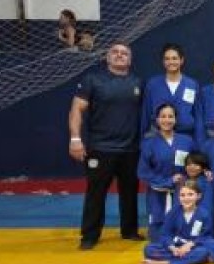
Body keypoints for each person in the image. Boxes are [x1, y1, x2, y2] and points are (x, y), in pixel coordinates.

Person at [68, 43, 143, 250]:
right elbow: (76, 109)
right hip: (101, 148)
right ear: (107, 57)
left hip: (130, 149)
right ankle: (89, 235)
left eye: (124, 53)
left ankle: (129, 231)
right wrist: (75, 139)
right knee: (96, 193)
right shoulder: (93, 80)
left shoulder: (137, 83)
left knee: (130, 192)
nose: (120, 55)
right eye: (115, 52)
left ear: (130, 59)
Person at [137, 104, 198, 241]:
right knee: (157, 238)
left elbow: (196, 163)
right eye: (163, 116)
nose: (167, 120)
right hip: (157, 194)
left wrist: (203, 171)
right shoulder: (149, 143)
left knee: (183, 233)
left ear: (175, 119)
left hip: (183, 193)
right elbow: (143, 171)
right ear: (157, 120)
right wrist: (167, 181)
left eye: (170, 116)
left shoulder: (187, 141)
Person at [141, 181, 214, 264]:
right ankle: (191, 260)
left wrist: (190, 244)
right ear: (178, 197)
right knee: (149, 249)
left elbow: (206, 236)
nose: (186, 198)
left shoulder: (204, 214)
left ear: (198, 196)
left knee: (203, 251)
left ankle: (163, 263)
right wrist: (172, 248)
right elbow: (165, 234)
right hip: (176, 246)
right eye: (182, 195)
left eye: (190, 194)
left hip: (194, 247)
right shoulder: (173, 212)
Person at [140, 43, 202, 141]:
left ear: (181, 60)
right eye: (167, 59)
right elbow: (145, 114)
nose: (171, 62)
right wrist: (143, 139)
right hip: (157, 137)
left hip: (185, 137)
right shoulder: (152, 84)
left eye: (174, 58)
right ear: (163, 62)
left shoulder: (192, 85)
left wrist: (199, 141)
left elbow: (198, 116)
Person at [183, 152, 214, 217]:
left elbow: (207, 209)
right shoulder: (181, 182)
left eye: (196, 165)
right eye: (189, 164)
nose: (192, 167)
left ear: (203, 168)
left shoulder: (206, 184)